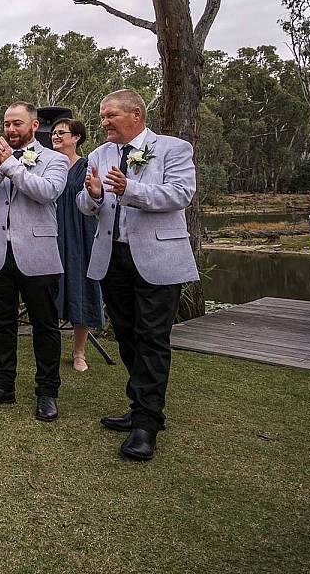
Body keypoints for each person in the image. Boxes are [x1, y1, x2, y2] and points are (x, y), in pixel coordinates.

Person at [78, 89, 198, 461]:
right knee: (127, 335)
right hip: (113, 258)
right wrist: (94, 194)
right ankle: (140, 405)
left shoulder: (173, 149)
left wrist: (131, 189)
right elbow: (85, 205)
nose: (104, 122)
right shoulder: (99, 155)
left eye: (110, 115)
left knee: (152, 337)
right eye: (101, 117)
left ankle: (147, 422)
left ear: (136, 115)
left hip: (158, 257)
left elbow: (181, 194)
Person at [0, 101, 68, 422]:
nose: (10, 129)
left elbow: (47, 192)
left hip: (38, 255)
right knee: (2, 323)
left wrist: (11, 166)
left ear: (34, 126)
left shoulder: (56, 159)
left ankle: (47, 392)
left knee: (45, 326)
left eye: (17, 124)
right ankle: (2, 385)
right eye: (7, 124)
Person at [51, 117, 104, 371]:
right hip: (51, 234)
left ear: (76, 137)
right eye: (54, 133)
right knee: (49, 290)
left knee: (81, 288)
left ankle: (79, 353)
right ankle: (48, 348)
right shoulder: (47, 165)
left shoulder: (87, 166)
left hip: (81, 235)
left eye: (62, 132)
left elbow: (96, 201)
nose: (56, 136)